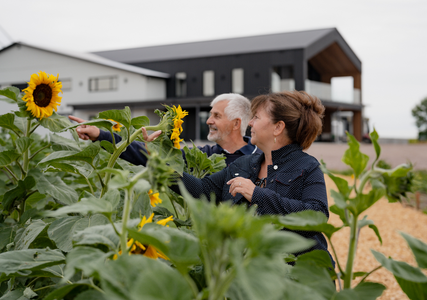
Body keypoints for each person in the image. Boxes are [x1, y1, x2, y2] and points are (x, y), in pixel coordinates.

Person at [172, 90, 332, 259]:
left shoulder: (308, 166)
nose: (250, 123)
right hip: (254, 271)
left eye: (256, 117)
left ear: (278, 127)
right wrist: (158, 163)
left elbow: (317, 216)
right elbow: (202, 189)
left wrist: (257, 195)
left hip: (298, 275)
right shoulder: (245, 164)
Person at [68, 93, 260, 166]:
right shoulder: (205, 157)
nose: (209, 120)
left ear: (236, 124)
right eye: (210, 114)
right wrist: (100, 134)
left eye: (216, 116)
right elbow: (145, 154)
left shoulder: (260, 157)